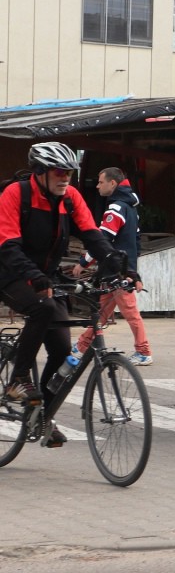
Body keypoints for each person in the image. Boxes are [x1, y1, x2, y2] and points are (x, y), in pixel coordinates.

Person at [0, 143, 125, 446]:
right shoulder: (16, 194)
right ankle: (18, 379)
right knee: (42, 310)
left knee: (61, 348)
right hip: (9, 272)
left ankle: (42, 415)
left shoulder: (69, 197)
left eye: (69, 172)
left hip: (45, 276)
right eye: (59, 172)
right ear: (40, 173)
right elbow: (8, 244)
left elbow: (93, 236)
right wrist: (34, 276)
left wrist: (119, 265)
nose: (65, 178)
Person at [71, 167, 152, 366]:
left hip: (116, 272)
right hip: (119, 271)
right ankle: (81, 346)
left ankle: (143, 351)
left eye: (100, 182)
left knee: (131, 313)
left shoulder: (116, 208)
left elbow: (103, 239)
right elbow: (136, 242)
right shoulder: (131, 209)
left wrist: (84, 262)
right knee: (102, 312)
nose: (97, 186)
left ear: (113, 183)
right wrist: (133, 271)